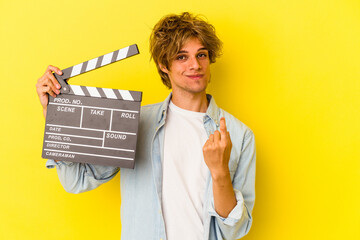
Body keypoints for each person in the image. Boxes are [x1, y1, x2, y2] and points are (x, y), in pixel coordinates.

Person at [36, 12, 256, 240]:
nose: (195, 65)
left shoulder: (239, 136)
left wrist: (219, 171)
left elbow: (235, 230)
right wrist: (55, 115)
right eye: (182, 57)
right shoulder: (136, 123)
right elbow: (76, 181)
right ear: (164, 65)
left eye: (201, 55)